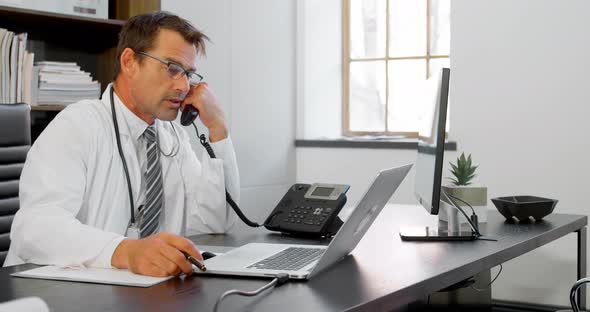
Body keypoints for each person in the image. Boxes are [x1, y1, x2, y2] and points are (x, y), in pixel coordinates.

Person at [4, 12, 241, 278]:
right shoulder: (78, 124)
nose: (183, 86)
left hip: (144, 293)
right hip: (56, 296)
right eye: (172, 68)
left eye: (188, 74)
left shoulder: (171, 134)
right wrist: (125, 251)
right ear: (129, 62)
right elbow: (35, 229)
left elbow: (215, 221)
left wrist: (218, 128)